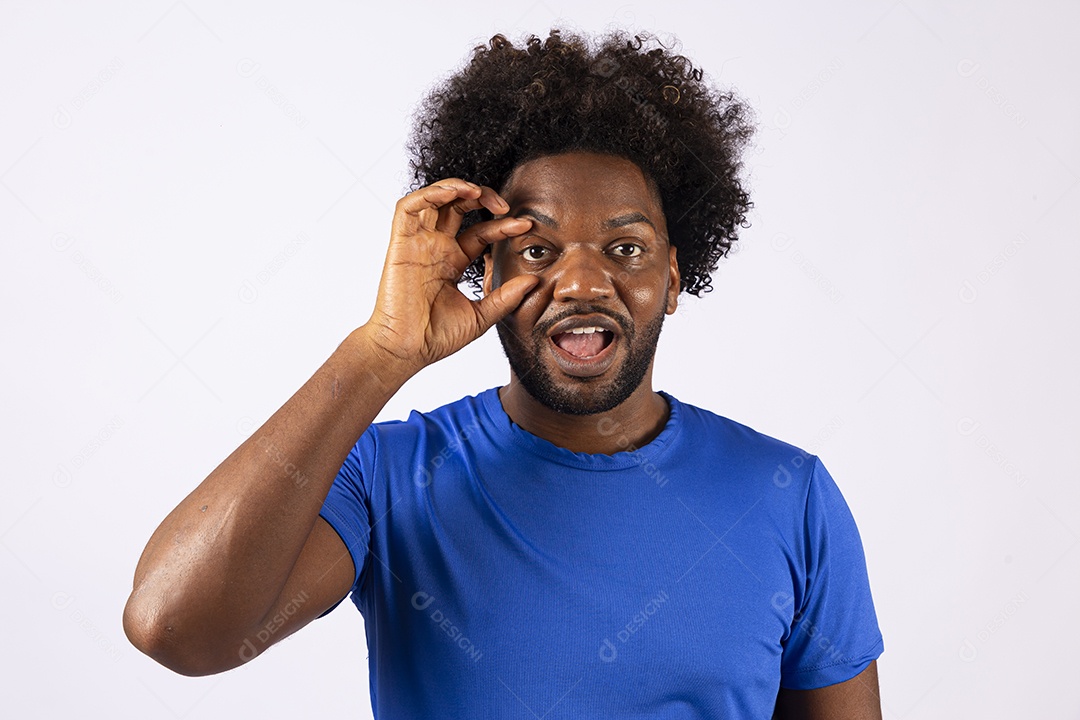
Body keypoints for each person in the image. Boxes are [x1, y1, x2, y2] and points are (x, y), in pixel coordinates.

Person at [123, 29, 884, 719]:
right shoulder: (387, 477)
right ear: (485, 274)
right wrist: (380, 352)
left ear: (674, 278)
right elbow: (172, 628)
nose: (581, 283)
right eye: (537, 250)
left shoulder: (790, 497)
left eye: (625, 249)